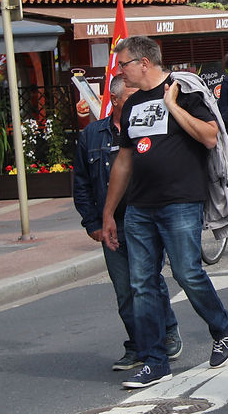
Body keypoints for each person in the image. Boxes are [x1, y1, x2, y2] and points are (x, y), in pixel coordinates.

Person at [101, 36, 228, 389]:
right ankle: (154, 360)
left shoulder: (185, 91)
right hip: (140, 207)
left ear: (144, 63)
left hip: (180, 201)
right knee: (142, 283)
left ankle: (222, 324)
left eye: (124, 64)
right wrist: (108, 213)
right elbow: (124, 161)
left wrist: (173, 106)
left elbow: (209, 136)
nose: (120, 71)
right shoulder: (131, 105)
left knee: (187, 272)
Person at [73, 76, 182, 372]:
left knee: (148, 281)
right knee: (125, 289)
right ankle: (138, 344)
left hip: (146, 217)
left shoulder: (151, 125)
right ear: (117, 100)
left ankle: (165, 334)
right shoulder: (92, 135)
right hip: (112, 225)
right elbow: (81, 184)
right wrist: (92, 222)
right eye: (134, 95)